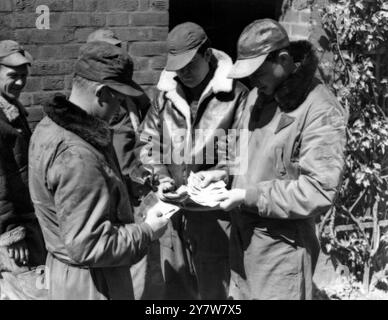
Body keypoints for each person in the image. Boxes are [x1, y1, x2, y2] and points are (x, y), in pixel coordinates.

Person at [207, 19, 348, 300]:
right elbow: (241, 151)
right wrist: (222, 173)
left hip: (283, 250)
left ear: (283, 60)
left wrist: (249, 195)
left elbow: (318, 190)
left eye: (258, 71)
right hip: (243, 241)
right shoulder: (257, 96)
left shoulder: (320, 109)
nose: (252, 81)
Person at [28, 41, 169, 300]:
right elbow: (91, 245)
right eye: (120, 97)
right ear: (103, 93)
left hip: (69, 274)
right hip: (93, 282)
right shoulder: (77, 154)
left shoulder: (48, 127)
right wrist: (148, 230)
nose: (122, 106)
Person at [133, 22, 248, 299]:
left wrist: (219, 174)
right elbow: (147, 144)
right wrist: (159, 178)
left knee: (215, 290)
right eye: (177, 67)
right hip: (173, 213)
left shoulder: (236, 96)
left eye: (189, 65)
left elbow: (242, 152)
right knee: (177, 290)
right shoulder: (164, 96)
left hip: (215, 217)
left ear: (207, 54)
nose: (183, 73)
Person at [87, 28, 154, 300]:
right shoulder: (96, 100)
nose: (117, 58)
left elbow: (146, 131)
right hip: (115, 196)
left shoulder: (133, 94)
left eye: (119, 51)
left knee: (139, 265)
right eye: (109, 53)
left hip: (138, 191)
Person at [0, 40, 46, 276]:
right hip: (11, 230)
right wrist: (10, 231)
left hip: (24, 218)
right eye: (12, 75)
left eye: (23, 75)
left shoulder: (11, 110)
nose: (20, 82)